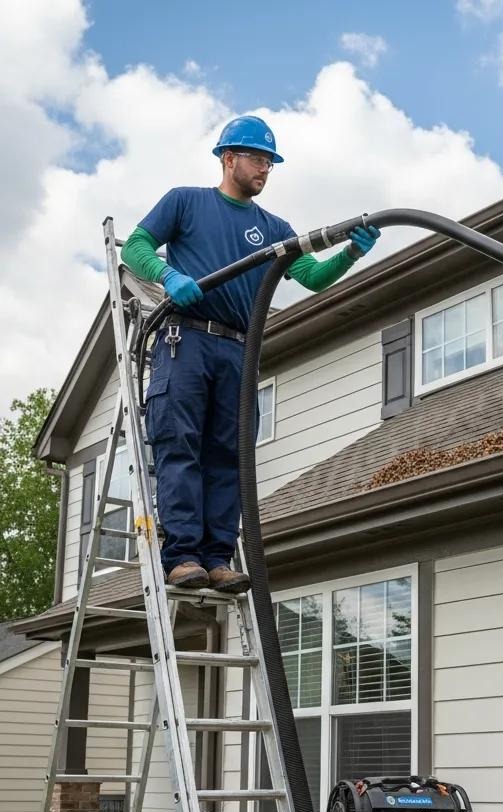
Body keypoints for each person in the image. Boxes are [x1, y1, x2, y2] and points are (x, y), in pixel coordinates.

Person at [120, 114, 380, 593]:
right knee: (181, 447)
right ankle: (181, 558)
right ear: (229, 158)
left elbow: (313, 278)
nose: (265, 168)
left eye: (270, 162)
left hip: (240, 349)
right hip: (187, 340)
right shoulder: (186, 202)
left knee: (229, 457)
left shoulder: (275, 228)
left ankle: (217, 558)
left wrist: (350, 254)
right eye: (258, 158)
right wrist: (167, 275)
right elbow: (133, 247)